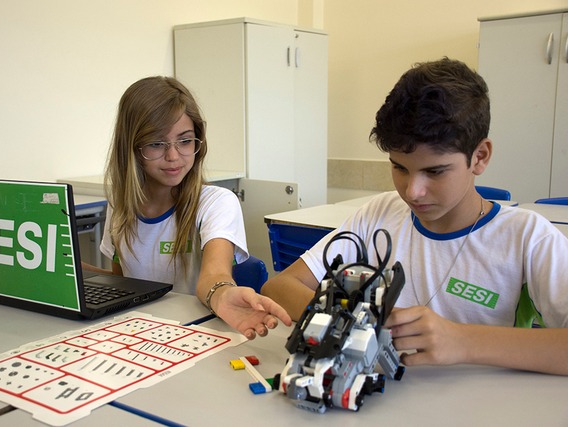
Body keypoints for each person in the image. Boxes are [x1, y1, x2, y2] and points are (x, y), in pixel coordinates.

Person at [261, 58, 568, 375]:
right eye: (399, 168)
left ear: (480, 156)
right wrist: (360, 322)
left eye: (434, 171)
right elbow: (280, 287)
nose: (412, 191)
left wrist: (462, 341)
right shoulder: (378, 215)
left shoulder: (528, 237)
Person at [88, 76, 291, 339]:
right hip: (139, 334)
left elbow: (214, 275)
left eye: (185, 141)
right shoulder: (120, 205)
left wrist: (223, 293)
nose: (173, 156)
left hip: (196, 336)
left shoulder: (216, 203)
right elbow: (125, 284)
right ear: (131, 147)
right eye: (156, 144)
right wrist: (70, 269)